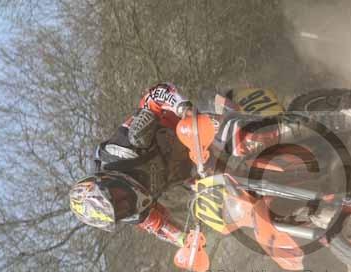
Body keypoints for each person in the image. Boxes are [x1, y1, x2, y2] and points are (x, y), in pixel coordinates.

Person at [69, 82, 308, 253]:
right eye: (119, 211)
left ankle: (305, 124)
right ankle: (307, 210)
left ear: (108, 181)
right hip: (197, 167)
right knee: (239, 202)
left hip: (197, 123)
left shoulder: (124, 148)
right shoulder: (136, 213)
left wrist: (181, 107)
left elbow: (154, 97)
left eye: (117, 199)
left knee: (243, 142)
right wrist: (186, 242)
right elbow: (161, 227)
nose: (124, 204)